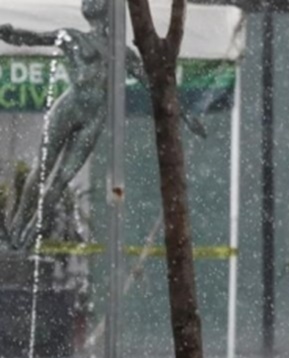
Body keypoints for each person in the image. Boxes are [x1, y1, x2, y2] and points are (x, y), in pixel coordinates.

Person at [0, 0, 205, 249]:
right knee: (42, 167)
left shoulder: (122, 52)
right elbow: (33, 38)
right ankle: (17, 225)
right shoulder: (72, 36)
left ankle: (30, 232)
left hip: (93, 119)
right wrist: (10, 33)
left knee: (62, 178)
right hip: (69, 107)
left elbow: (154, 86)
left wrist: (185, 114)